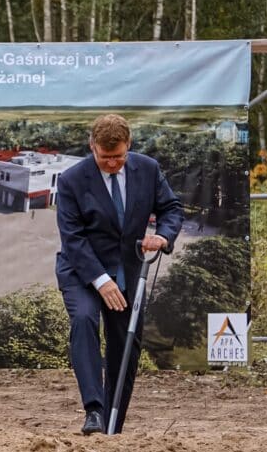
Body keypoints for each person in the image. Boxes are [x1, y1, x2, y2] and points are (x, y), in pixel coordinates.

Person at [55, 114, 183, 435]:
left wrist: (163, 235)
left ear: (129, 146)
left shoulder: (148, 169)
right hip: (82, 271)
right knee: (84, 319)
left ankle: (113, 426)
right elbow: (73, 238)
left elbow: (171, 208)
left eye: (118, 157)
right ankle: (94, 411)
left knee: (125, 345)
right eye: (105, 157)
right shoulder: (71, 180)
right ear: (92, 147)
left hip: (127, 271)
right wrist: (101, 281)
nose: (112, 164)